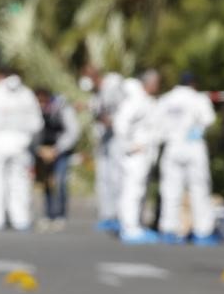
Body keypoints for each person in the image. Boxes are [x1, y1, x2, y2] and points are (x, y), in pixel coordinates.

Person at [156, 71, 219, 246]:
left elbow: (157, 124)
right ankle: (202, 232)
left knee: (170, 190)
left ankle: (168, 230)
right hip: (193, 147)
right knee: (199, 189)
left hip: (172, 147)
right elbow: (209, 120)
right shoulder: (198, 98)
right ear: (193, 83)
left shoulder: (166, 99)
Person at [0, 69, 43, 231]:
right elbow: (37, 124)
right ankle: (21, 219)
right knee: (19, 183)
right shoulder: (27, 95)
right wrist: (28, 140)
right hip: (20, 145)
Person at [113, 69, 161, 244]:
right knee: (132, 191)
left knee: (140, 191)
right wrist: (130, 145)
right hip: (134, 155)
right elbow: (120, 123)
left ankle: (136, 225)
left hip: (144, 155)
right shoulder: (135, 100)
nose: (157, 85)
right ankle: (129, 227)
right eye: (155, 82)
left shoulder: (146, 100)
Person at [82, 64, 125, 233]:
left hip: (118, 138)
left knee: (116, 177)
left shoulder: (113, 85)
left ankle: (119, 215)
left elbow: (123, 109)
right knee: (103, 178)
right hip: (104, 139)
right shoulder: (96, 94)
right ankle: (107, 215)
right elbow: (97, 111)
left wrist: (113, 120)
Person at [33, 87, 81, 231]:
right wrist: (38, 149)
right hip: (43, 152)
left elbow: (73, 132)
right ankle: (48, 214)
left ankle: (60, 215)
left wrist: (57, 150)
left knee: (59, 181)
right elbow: (33, 131)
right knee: (46, 183)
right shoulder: (35, 110)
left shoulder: (62, 108)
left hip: (60, 151)